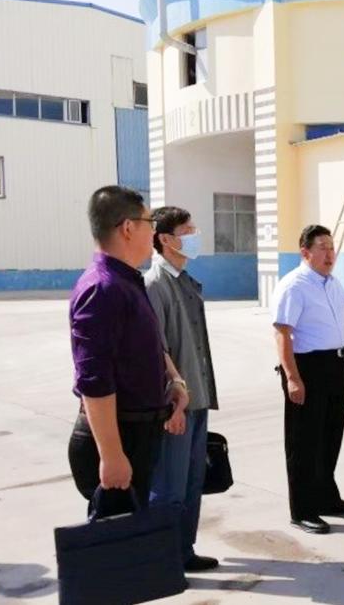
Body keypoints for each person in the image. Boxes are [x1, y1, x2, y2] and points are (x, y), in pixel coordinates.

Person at [67, 186, 188, 518]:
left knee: (133, 535)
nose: (154, 232)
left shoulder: (126, 282)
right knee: (117, 541)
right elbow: (94, 381)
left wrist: (173, 381)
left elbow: (144, 346)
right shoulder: (102, 288)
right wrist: (111, 455)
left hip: (138, 433)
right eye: (150, 222)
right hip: (120, 437)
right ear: (128, 227)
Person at [271, 225, 344, 534]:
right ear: (305, 252)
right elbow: (282, 333)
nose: (329, 254)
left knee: (330, 436)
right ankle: (303, 510)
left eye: (332, 247)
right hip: (308, 368)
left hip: (336, 364)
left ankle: (326, 497)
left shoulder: (333, 283)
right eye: (322, 247)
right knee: (304, 442)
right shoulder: (294, 285)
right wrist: (292, 378)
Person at [145, 206, 220, 572]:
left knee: (191, 483)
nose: (194, 236)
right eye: (187, 231)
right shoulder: (154, 285)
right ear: (165, 239)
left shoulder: (185, 281)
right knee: (169, 487)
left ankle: (184, 551)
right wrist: (171, 404)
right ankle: (163, 561)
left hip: (198, 398)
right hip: (176, 405)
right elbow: (154, 351)